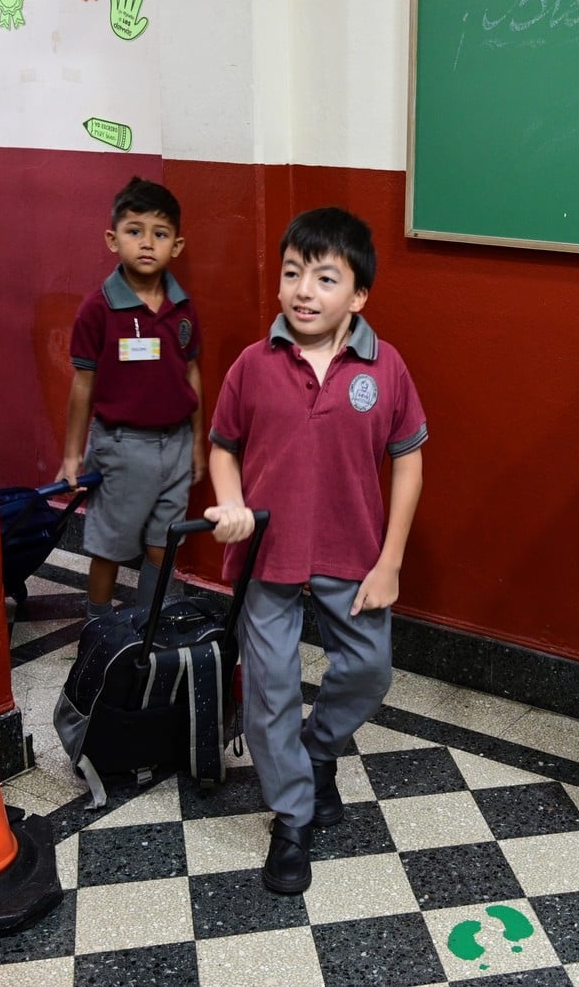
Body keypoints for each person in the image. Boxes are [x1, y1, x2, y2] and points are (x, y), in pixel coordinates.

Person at [203, 207, 427, 895]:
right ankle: (292, 816)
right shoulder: (252, 364)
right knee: (268, 690)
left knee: (368, 668)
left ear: (357, 296)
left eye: (325, 278)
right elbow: (222, 447)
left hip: (353, 552)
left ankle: (316, 753)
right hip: (267, 556)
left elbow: (409, 463)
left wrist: (389, 562)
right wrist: (232, 504)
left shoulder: (384, 368)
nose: (304, 290)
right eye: (293, 273)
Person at [56, 176, 207, 621]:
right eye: (134, 230)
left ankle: (150, 625)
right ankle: (96, 627)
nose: (146, 243)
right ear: (112, 238)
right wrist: (71, 456)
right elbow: (82, 384)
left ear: (176, 246)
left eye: (159, 234)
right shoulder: (97, 310)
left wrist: (197, 443)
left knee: (164, 543)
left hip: (176, 443)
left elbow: (192, 372)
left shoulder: (183, 307)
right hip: (121, 448)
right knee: (111, 547)